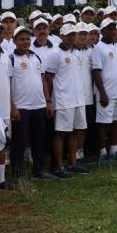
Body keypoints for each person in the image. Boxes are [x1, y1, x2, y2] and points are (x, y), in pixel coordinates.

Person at [44, 25, 88, 179]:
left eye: (73, 34)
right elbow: (48, 78)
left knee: (75, 132)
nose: (71, 37)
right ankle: (58, 167)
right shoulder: (55, 53)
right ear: (61, 36)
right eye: (68, 35)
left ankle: (72, 163)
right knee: (60, 134)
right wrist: (48, 100)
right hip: (63, 100)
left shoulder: (76, 52)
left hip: (78, 99)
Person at [10, 26, 51, 183]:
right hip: (21, 107)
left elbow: (42, 80)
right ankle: (18, 174)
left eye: (28, 38)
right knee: (19, 142)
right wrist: (13, 106)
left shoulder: (36, 57)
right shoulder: (11, 59)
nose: (25, 42)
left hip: (39, 105)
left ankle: (39, 169)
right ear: (14, 41)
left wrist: (47, 101)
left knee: (39, 140)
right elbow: (7, 84)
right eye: (21, 39)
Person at [91, 19, 117, 164]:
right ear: (102, 31)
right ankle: (102, 153)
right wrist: (103, 93)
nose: (113, 31)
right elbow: (96, 72)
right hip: (106, 94)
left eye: (114, 29)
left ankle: (113, 151)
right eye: (109, 29)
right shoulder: (98, 48)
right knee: (103, 124)